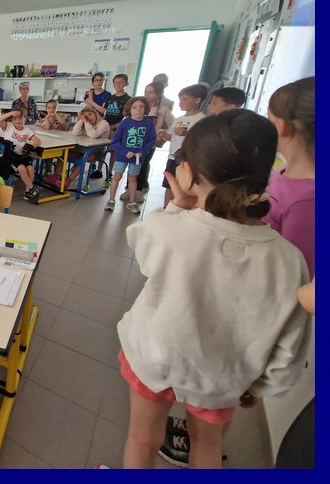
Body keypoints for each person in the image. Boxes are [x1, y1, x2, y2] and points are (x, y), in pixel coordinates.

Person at [117, 109, 310, 469]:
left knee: (142, 438)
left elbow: (138, 241)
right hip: (225, 375)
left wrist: (177, 207)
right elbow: (291, 338)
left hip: (155, 357)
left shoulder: (168, 230)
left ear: (189, 173)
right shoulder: (289, 259)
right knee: (207, 446)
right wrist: (262, 385)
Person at [262, 77, 315, 278]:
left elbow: (298, 274)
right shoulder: (284, 170)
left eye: (269, 119)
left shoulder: (307, 200)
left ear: (281, 126)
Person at [120, 81, 174, 203]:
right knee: (131, 165)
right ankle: (129, 189)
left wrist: (163, 138)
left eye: (151, 92)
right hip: (133, 143)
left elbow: (172, 125)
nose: (147, 94)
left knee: (143, 165)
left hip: (149, 145)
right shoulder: (139, 108)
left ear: (158, 94)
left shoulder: (163, 110)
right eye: (146, 92)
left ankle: (138, 190)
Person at [158, 84, 208, 208]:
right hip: (173, 157)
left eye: (185, 99)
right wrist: (164, 135)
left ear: (197, 100)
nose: (181, 102)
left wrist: (186, 133)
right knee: (169, 184)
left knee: (186, 186)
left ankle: (182, 209)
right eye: (180, 99)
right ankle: (167, 208)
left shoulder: (202, 119)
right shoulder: (178, 119)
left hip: (189, 159)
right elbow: (172, 137)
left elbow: (202, 140)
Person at [105, 97, 156, 215]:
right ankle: (111, 200)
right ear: (129, 109)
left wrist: (142, 152)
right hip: (122, 157)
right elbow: (115, 141)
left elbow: (151, 140)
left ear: (146, 109)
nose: (138, 110)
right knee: (117, 177)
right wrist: (125, 152)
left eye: (141, 107)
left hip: (137, 158)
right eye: (134, 107)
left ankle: (132, 202)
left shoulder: (148, 123)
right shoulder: (125, 123)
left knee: (133, 179)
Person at [56, 106, 110, 191]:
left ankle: (68, 181)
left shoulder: (103, 124)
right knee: (64, 153)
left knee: (83, 158)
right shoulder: (85, 123)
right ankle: (55, 176)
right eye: (85, 116)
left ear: (95, 114)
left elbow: (93, 135)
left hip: (97, 151)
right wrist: (81, 120)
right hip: (83, 149)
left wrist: (86, 122)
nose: (88, 117)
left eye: (90, 114)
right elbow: (75, 133)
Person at [0, 107, 41, 202]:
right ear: (12, 120)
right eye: (15, 118)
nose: (18, 120)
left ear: (25, 119)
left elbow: (37, 140)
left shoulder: (27, 131)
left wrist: (31, 146)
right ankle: (32, 188)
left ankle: (27, 191)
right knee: (21, 168)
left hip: (20, 156)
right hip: (9, 156)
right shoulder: (9, 127)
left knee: (30, 168)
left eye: (20, 118)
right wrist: (11, 113)